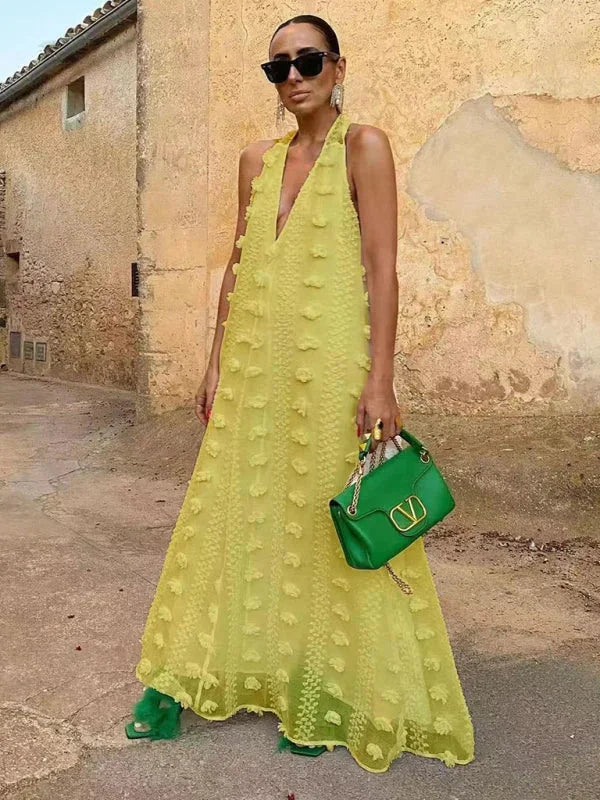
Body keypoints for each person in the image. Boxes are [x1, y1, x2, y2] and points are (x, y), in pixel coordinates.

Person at [125, 14, 475, 773]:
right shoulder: (256, 159)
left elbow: (382, 267)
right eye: (277, 67)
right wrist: (215, 363)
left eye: (307, 61)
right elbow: (240, 263)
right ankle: (177, 674)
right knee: (227, 510)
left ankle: (317, 690)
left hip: (330, 364)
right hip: (254, 364)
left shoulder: (367, 147)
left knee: (323, 521)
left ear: (337, 66)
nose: (292, 77)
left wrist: (380, 376)